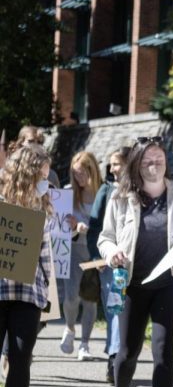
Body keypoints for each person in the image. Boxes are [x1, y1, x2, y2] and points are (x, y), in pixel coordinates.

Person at [98, 138, 173, 387]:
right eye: (147, 161)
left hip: (169, 283)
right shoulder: (120, 197)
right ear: (137, 166)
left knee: (164, 353)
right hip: (132, 284)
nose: (155, 165)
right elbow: (105, 237)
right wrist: (112, 251)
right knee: (126, 353)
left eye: (159, 159)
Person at [0, 144, 55, 387]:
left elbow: (46, 251)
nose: (46, 181)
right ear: (27, 172)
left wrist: (45, 288)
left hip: (27, 292)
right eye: (42, 175)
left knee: (21, 356)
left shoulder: (40, 204)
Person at [88, 147, 131, 382]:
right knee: (115, 311)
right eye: (112, 164)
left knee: (125, 313)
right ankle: (114, 359)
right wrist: (99, 256)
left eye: (118, 164)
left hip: (134, 265)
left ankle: (120, 356)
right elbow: (96, 228)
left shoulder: (140, 191)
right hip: (110, 265)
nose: (113, 169)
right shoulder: (106, 191)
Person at [59, 151, 101, 360]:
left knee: (90, 299)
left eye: (83, 173)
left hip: (96, 251)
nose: (79, 179)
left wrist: (89, 228)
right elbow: (58, 226)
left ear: (92, 170)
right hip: (74, 250)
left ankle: (84, 344)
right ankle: (69, 328)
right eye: (75, 174)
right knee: (70, 296)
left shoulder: (104, 192)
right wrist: (74, 227)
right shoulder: (68, 193)